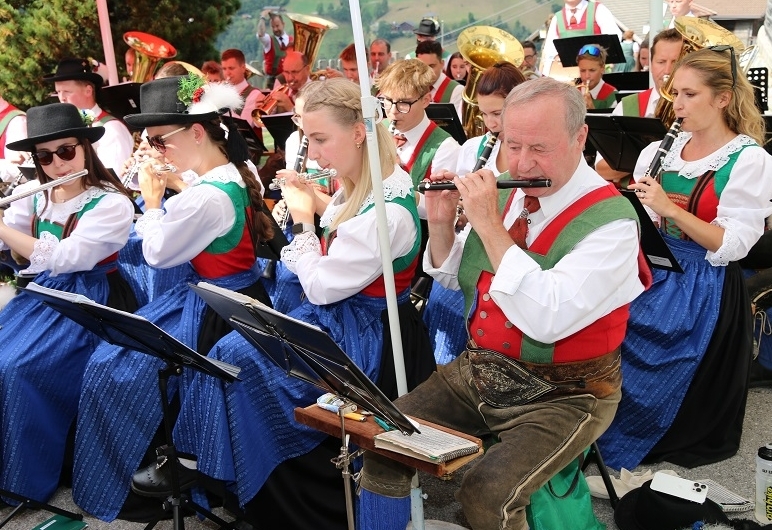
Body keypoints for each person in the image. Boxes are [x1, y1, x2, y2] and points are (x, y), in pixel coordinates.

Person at [132, 78, 435, 530]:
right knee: (231, 356)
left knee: (239, 363)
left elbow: (322, 286)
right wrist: (313, 200)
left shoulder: (388, 211)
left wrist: (300, 222)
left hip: (364, 335)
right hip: (339, 316)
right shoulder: (371, 181)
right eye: (308, 139)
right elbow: (342, 237)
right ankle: (225, 472)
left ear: (358, 133)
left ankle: (258, 481)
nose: (313, 155)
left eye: (319, 139)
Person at [359, 76, 648, 530]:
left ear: (580, 138)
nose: (523, 163)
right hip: (481, 369)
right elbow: (461, 275)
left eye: (540, 148)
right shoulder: (513, 192)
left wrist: (490, 225)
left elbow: (547, 318)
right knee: (382, 443)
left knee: (487, 493)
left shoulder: (612, 224)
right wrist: (440, 225)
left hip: (566, 395)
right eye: (512, 146)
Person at [72, 74, 275, 521]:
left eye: (160, 141)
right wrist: (177, 183)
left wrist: (152, 200)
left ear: (196, 132)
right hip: (235, 295)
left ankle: (173, 463)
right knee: (119, 357)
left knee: (113, 367)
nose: (157, 151)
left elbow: (157, 254)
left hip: (216, 310)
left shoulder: (206, 196)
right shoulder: (229, 173)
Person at [598, 47, 772, 471]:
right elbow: (646, 222)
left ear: (723, 99)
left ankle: (653, 428)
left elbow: (732, 246)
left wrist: (672, 209)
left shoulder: (749, 160)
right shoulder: (661, 149)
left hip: (705, 282)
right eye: (675, 94)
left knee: (656, 347)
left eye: (690, 95)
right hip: (654, 264)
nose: (676, 105)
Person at [0, 102, 137, 504]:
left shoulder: (112, 203)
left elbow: (65, 258)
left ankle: (24, 479)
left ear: (85, 149)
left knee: (16, 368)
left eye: (66, 151)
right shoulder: (33, 194)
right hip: (42, 296)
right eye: (45, 156)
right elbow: (19, 254)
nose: (58, 163)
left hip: (89, 302)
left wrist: (5, 231)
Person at [425, 62, 527, 366]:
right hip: (468, 254)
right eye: (484, 113)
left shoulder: (531, 154)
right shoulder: (473, 148)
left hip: (507, 255)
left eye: (498, 114)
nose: (490, 123)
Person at [596, 29, 682, 182]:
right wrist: (649, 156)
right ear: (650, 63)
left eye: (676, 63)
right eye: (661, 62)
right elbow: (602, 170)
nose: (668, 70)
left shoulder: (699, 110)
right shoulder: (628, 106)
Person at [44, 58, 134, 171]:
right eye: (58, 92)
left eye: (67, 92)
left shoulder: (110, 129)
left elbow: (116, 177)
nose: (61, 98)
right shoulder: (70, 128)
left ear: (88, 91)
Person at [541, 0, 621, 76]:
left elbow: (613, 41)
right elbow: (549, 51)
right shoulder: (557, 18)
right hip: (568, 77)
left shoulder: (599, 10)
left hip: (597, 75)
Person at [416, 40, 464, 119]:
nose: (427, 71)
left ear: (442, 64)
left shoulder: (456, 90)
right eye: (422, 66)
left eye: (431, 66)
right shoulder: (412, 88)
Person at [221, 48, 266, 131]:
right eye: (224, 69)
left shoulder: (254, 95)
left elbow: (244, 125)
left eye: (231, 68)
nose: (227, 73)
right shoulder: (222, 93)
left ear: (243, 68)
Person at [257, 10, 294, 88]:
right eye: (273, 27)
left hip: (290, 81)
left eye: (277, 26)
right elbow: (260, 33)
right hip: (272, 83)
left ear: (283, 24)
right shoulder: (268, 40)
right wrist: (262, 17)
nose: (275, 29)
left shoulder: (293, 40)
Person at [576, 43, 618, 110]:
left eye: (592, 70)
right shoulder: (573, 93)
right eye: (583, 70)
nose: (587, 76)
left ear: (602, 68)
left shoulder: (612, 95)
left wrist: (592, 110)